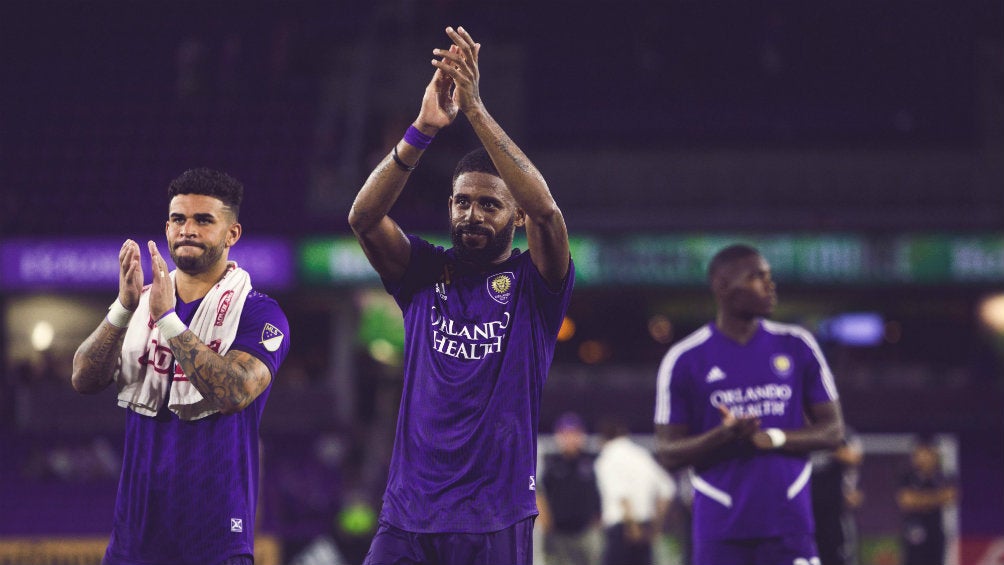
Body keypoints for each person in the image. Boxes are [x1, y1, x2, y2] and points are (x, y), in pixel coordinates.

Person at [347, 26, 573, 565]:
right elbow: (363, 217)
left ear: (513, 216)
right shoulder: (424, 271)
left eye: (489, 205)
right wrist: (424, 129)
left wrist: (474, 109)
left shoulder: (536, 284)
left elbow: (547, 211)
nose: (472, 215)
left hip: (492, 518)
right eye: (462, 202)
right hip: (407, 514)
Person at [71, 168, 290, 565]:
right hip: (134, 537)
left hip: (215, 535)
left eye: (203, 220)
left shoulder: (258, 311)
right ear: (167, 228)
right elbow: (83, 378)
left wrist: (169, 322)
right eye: (178, 219)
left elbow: (234, 392)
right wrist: (123, 308)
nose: (187, 229)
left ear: (232, 234)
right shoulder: (139, 304)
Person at [653, 243, 845, 565]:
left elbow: (833, 431)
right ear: (723, 286)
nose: (770, 285)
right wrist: (725, 435)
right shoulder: (685, 359)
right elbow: (667, 453)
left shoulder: (797, 345)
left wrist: (774, 438)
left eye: (769, 277)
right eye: (757, 277)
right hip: (719, 527)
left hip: (789, 523)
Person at [594, 417, 676, 565]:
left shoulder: (607, 458)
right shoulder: (641, 454)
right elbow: (667, 489)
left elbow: (621, 495)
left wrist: (632, 527)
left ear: (603, 439)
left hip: (623, 529)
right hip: (646, 527)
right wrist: (656, 526)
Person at [537, 412, 603, 565]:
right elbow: (539, 492)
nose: (571, 439)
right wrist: (544, 520)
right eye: (566, 434)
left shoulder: (590, 461)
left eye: (574, 434)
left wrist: (598, 519)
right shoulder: (552, 464)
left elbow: (599, 492)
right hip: (559, 532)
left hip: (585, 531)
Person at [896, 437, 957, 565]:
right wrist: (936, 499)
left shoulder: (943, 476)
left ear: (934, 454)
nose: (921, 457)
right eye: (918, 453)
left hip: (936, 533)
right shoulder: (907, 477)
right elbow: (906, 500)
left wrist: (920, 500)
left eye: (925, 453)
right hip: (914, 533)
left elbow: (950, 497)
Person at [811, 427, 864, 565]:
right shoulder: (804, 431)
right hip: (811, 515)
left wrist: (833, 451)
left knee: (840, 557)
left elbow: (853, 456)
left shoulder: (840, 432)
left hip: (836, 516)